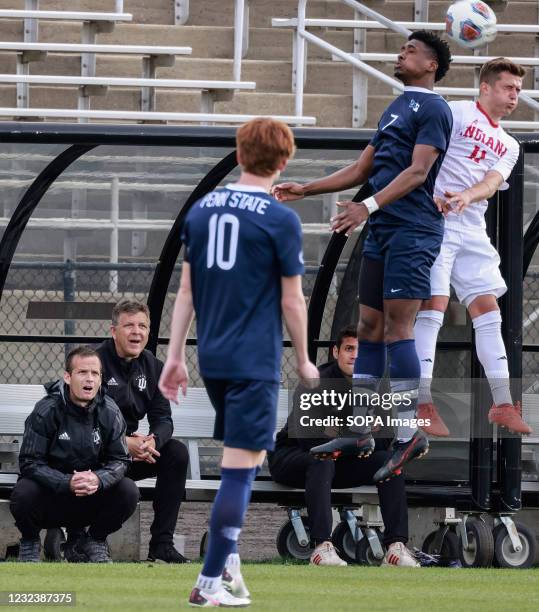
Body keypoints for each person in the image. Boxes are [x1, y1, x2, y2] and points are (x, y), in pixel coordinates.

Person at [273, 30, 453, 482]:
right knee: (369, 327)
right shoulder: (394, 108)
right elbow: (360, 169)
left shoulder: (434, 108)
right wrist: (306, 188)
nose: (401, 53)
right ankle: (362, 427)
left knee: (397, 329)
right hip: (383, 230)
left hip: (412, 231)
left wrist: (366, 206)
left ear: (431, 64)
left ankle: (412, 429)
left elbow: (418, 171)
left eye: (411, 50)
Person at [159, 117, 319, 607]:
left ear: (238, 151)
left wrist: (173, 356)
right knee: (240, 469)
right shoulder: (280, 219)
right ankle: (209, 584)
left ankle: (229, 565)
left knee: (241, 457)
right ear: (284, 161)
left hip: (213, 356)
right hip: (254, 359)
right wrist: (308, 360)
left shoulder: (203, 209)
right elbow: (293, 301)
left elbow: (185, 290)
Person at [414, 58, 532, 437]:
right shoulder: (456, 112)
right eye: (507, 87)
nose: (515, 94)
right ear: (485, 87)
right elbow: (423, 151)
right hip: (435, 220)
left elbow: (492, 181)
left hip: (470, 223)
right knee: (433, 306)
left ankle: (501, 402)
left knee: (488, 310)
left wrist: (467, 195)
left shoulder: (510, 144)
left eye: (517, 88)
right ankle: (421, 401)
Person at [269, 326, 417, 567]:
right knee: (323, 458)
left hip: (341, 463)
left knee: (390, 461)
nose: (356, 355)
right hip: (293, 458)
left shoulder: (377, 386)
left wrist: (341, 434)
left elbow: (383, 438)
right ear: (336, 351)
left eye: (362, 350)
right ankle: (321, 548)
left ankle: (396, 547)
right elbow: (310, 440)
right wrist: (358, 433)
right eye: (349, 348)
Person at [10, 346, 138, 563]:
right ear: (68, 377)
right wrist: (66, 481)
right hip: (51, 495)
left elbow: (121, 460)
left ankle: (94, 541)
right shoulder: (46, 410)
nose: (89, 379)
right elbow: (30, 462)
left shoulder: (110, 412)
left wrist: (98, 479)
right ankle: (30, 542)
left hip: (90, 495)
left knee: (128, 491)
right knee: (23, 493)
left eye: (95, 374)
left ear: (100, 379)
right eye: (82, 372)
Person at [97, 299, 190, 563]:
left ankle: (161, 544)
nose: (137, 332)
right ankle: (90, 540)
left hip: (132, 454)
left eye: (142, 326)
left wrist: (152, 442)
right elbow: (86, 423)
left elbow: (163, 419)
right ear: (113, 331)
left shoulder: (154, 367)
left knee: (175, 453)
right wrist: (125, 443)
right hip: (96, 454)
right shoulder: (94, 362)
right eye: (129, 326)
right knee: (124, 487)